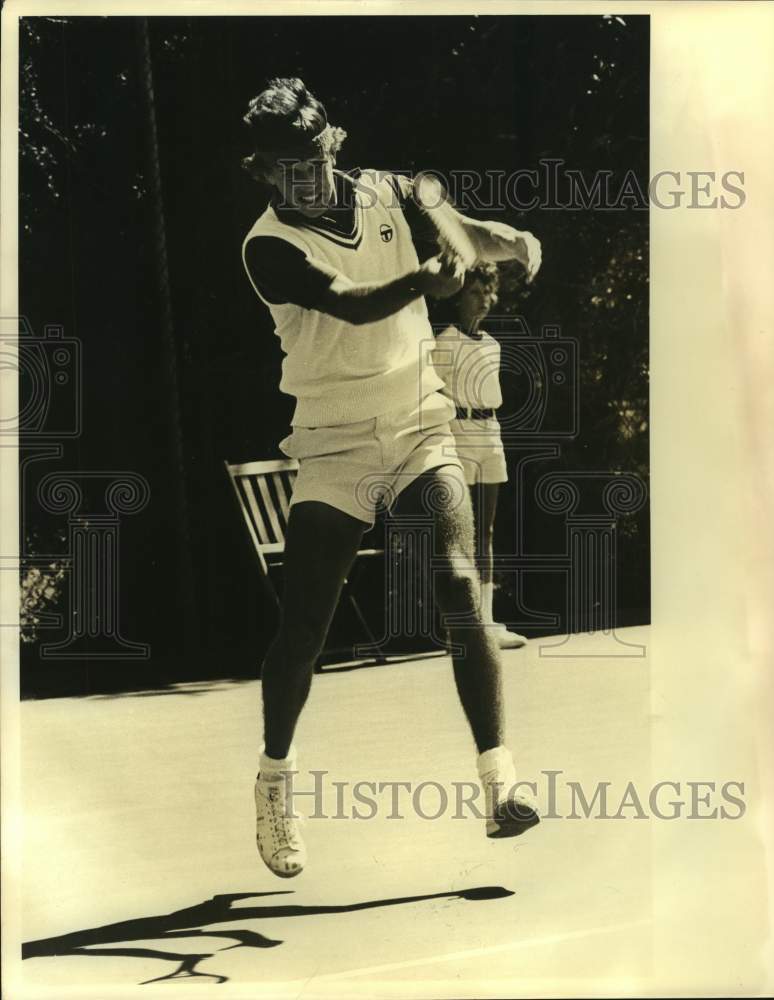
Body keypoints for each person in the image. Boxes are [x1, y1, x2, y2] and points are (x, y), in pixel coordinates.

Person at [240, 77, 542, 878]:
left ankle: (500, 785)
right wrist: (428, 281)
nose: (300, 178)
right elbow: (349, 300)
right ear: (264, 174)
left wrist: (498, 235)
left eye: (309, 159)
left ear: (332, 145)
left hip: (417, 420)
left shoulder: (386, 190)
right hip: (333, 446)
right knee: (303, 629)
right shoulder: (268, 246)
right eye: (281, 168)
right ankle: (275, 782)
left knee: (455, 577)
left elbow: (441, 206)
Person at [430, 263, 528, 649]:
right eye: (474, 292)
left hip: (491, 435)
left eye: (487, 292)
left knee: (486, 531)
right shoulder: (445, 342)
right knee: (461, 532)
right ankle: (461, 625)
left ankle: (486, 622)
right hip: (457, 435)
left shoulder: (492, 345)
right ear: (458, 296)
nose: (482, 300)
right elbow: (432, 397)